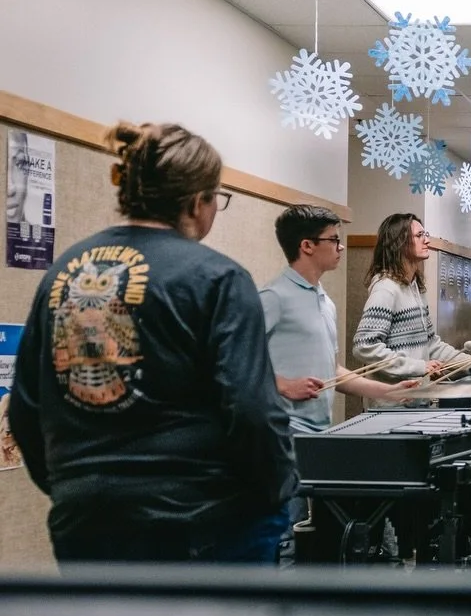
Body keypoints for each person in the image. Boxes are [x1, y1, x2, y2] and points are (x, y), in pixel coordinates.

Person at [8, 121, 296, 563]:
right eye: (217, 199)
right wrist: (277, 490)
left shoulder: (63, 273)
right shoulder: (218, 278)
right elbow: (252, 409)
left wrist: (73, 490)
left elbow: (25, 408)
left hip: (85, 523)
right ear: (197, 200)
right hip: (203, 524)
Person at [259, 206, 420, 549]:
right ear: (307, 245)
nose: (341, 246)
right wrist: (283, 385)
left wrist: (388, 391)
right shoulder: (274, 298)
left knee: (319, 537)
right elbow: (237, 363)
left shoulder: (325, 302)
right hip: (281, 434)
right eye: (334, 239)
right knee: (284, 538)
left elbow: (333, 372)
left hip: (318, 434)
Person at [354, 214, 471, 381]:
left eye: (425, 234)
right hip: (392, 395)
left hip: (417, 393)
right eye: (419, 235)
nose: (427, 240)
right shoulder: (386, 289)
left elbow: (431, 345)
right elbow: (364, 346)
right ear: (399, 242)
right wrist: (418, 366)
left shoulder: (415, 288)